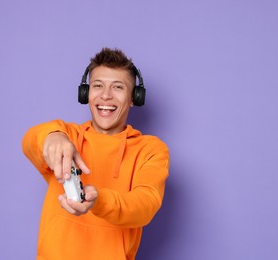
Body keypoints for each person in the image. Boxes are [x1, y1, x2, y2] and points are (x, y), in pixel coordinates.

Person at [22, 47, 169, 260]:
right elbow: (30, 141)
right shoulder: (67, 135)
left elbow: (145, 205)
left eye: (118, 87)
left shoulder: (151, 150)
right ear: (86, 93)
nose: (106, 95)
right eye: (97, 86)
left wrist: (99, 201)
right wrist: (52, 136)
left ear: (133, 98)